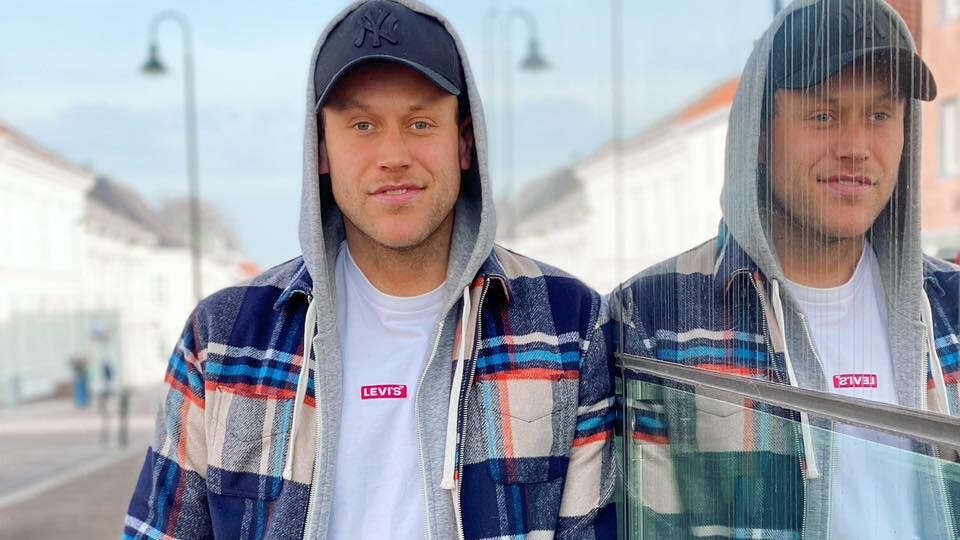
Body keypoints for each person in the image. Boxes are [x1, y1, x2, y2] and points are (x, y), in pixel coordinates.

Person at [124, 1, 616, 538]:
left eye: (420, 122)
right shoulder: (223, 338)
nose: (394, 155)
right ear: (321, 150)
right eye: (362, 125)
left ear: (464, 143)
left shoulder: (568, 324)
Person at [611, 0, 959, 538]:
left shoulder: (951, 304)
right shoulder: (656, 315)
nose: (856, 148)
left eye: (880, 115)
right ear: (758, 138)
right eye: (823, 115)